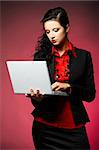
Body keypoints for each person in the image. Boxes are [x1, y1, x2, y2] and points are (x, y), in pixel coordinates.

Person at [26, 7, 96, 150]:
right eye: (48, 31)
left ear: (67, 27)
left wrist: (69, 87)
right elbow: (37, 100)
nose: (51, 35)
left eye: (56, 30)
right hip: (45, 129)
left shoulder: (84, 57)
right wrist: (37, 98)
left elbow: (90, 95)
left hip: (73, 128)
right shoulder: (40, 58)